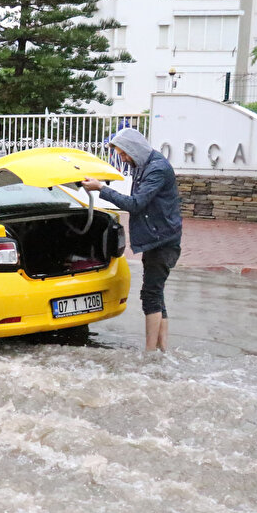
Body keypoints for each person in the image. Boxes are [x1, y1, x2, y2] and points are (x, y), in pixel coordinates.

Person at [82, 128, 182, 352]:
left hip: (163, 241)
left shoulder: (157, 169)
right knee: (156, 293)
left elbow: (135, 204)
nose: (124, 159)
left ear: (135, 149)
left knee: (150, 295)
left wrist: (101, 189)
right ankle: (161, 349)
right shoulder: (143, 164)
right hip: (157, 239)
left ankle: (149, 353)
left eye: (125, 154)